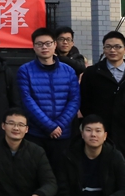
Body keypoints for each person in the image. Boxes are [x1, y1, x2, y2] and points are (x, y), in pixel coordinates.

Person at [79, 31, 125, 196]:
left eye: (117, 47)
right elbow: (85, 101)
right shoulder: (93, 73)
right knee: (101, 164)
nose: (112, 50)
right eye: (108, 47)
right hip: (101, 129)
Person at [17, 27, 80, 176]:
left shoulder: (68, 71)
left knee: (62, 174)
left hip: (62, 133)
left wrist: (59, 125)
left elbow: (74, 100)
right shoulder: (25, 70)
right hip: (36, 133)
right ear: (33, 47)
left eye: (48, 43)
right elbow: (27, 101)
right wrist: (49, 126)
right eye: (39, 44)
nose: (44, 47)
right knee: (36, 174)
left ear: (55, 45)